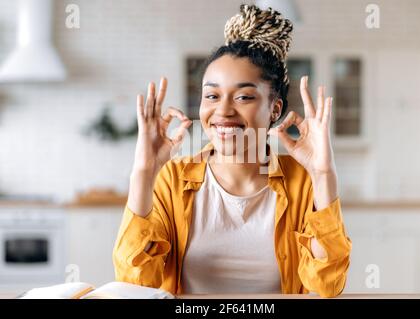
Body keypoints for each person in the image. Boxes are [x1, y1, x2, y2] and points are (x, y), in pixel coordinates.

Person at [113, 4, 351, 298]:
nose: (223, 110)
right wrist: (143, 173)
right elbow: (135, 285)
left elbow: (327, 286)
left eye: (244, 96)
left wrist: (323, 174)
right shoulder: (171, 179)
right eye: (212, 95)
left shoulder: (302, 182)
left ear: (274, 109)